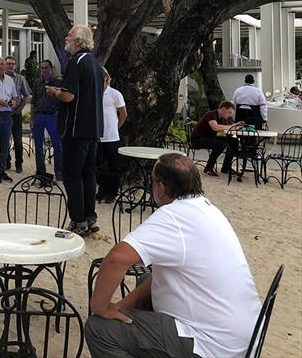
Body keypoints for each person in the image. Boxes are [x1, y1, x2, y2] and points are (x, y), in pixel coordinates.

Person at [86, 154, 261, 358]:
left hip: (212, 345)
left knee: (98, 329)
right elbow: (158, 280)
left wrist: (100, 307)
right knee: (147, 279)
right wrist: (121, 306)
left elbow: (117, 258)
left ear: (161, 188)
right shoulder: (209, 210)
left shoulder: (174, 216)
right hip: (244, 335)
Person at [47, 25, 104, 237]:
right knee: (89, 174)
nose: (65, 38)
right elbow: (104, 85)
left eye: (69, 35)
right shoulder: (96, 65)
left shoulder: (75, 62)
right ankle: (90, 218)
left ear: (78, 41)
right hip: (93, 128)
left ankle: (78, 221)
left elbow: (69, 96)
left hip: (76, 127)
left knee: (72, 175)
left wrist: (55, 92)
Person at [96, 68, 127, 203]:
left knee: (112, 165)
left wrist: (116, 127)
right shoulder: (94, 93)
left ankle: (112, 192)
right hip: (97, 136)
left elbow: (123, 114)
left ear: (106, 78)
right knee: (99, 165)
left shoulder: (114, 94)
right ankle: (101, 190)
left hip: (111, 136)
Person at [189, 100, 242, 177]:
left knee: (234, 141)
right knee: (220, 144)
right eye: (229, 112)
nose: (230, 115)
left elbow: (226, 129)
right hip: (197, 140)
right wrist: (233, 126)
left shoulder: (223, 118)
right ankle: (208, 168)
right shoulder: (211, 115)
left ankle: (226, 167)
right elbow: (215, 127)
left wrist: (236, 126)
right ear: (223, 109)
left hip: (210, 138)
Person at [31, 59, 63, 180]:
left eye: (46, 68)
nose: (44, 70)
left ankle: (59, 171)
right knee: (38, 145)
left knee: (57, 144)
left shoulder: (59, 83)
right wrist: (32, 118)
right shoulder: (38, 83)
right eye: (42, 68)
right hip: (39, 116)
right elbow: (33, 101)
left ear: (51, 68)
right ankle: (40, 172)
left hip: (53, 116)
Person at [5, 56, 31, 173]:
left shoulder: (20, 78)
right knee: (5, 139)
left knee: (18, 139)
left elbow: (26, 95)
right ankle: (6, 162)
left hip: (16, 113)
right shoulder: (1, 78)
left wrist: (20, 109)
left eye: (12, 64)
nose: (10, 66)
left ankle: (19, 163)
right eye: (8, 63)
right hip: (4, 113)